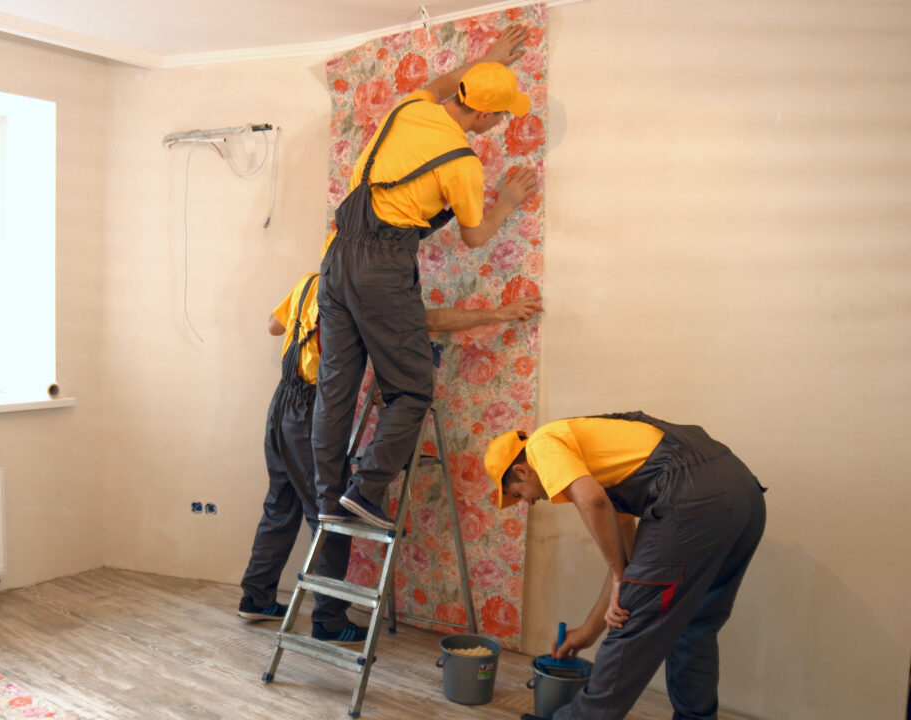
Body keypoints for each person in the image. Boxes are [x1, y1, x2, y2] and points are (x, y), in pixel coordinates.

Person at [313, 24, 539, 532]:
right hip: (381, 267)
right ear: (484, 115)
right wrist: (506, 201)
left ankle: (328, 502)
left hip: (337, 256)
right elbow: (474, 237)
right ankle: (365, 491)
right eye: (502, 115)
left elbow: (442, 83)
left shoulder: (409, 108)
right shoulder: (463, 162)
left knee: (336, 391)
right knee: (412, 390)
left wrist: (488, 60)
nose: (502, 122)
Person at [239, 270, 541, 645]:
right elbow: (430, 320)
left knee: (280, 505)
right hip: (311, 410)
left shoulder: (311, 281)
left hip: (282, 402)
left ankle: (256, 596)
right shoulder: (362, 291)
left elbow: (274, 326)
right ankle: (328, 620)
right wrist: (500, 313)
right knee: (330, 514)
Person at [484, 412, 767, 720]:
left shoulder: (542, 443)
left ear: (522, 471)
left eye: (518, 494)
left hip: (691, 498)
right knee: (695, 623)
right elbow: (630, 563)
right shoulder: (608, 467)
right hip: (743, 494)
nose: (527, 502)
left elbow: (593, 503)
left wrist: (622, 578)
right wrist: (589, 631)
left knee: (634, 625)